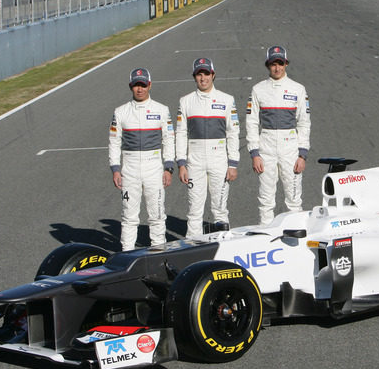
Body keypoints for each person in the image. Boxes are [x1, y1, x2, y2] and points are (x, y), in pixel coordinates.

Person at [108, 67, 174, 249]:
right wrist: (115, 169)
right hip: (129, 169)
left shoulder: (162, 110)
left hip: (154, 168)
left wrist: (168, 168)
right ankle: (127, 254)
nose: (140, 89)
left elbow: (169, 140)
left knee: (157, 215)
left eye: (143, 85)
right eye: (136, 85)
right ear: (130, 86)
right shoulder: (120, 112)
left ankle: (159, 253)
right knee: (129, 217)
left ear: (149, 85)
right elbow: (114, 142)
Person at [175, 57, 240, 238]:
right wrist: (181, 163)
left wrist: (233, 164)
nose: (203, 78)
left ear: (213, 75)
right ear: (194, 77)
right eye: (199, 74)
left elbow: (233, 133)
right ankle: (193, 249)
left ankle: (224, 247)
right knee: (194, 210)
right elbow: (180, 133)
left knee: (220, 208)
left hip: (219, 160)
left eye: (206, 74)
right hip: (194, 162)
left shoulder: (227, 100)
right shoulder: (185, 101)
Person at [247, 46, 311, 225]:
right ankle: (266, 239)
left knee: (294, 200)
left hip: (290, 148)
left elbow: (304, 123)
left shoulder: (298, 89)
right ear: (268, 65)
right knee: (265, 200)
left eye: (280, 63)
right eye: (273, 64)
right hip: (265, 148)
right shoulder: (258, 89)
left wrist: (302, 155)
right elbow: (251, 123)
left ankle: (296, 240)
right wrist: (255, 154)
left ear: (286, 64)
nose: (277, 68)